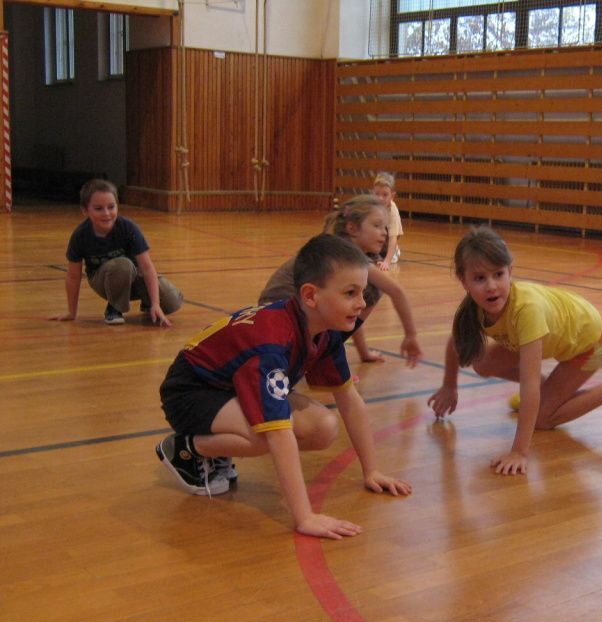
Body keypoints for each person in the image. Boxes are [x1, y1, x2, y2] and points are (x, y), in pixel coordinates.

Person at [155, 234, 412, 539]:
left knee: (324, 427)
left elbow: (349, 399)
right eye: (350, 293)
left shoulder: (324, 330)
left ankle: (217, 445)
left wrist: (372, 470)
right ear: (311, 296)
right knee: (270, 433)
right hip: (189, 393)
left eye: (363, 292)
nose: (362, 303)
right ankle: (186, 449)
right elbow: (278, 434)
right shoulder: (272, 343)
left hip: (227, 387)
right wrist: (305, 517)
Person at [427, 226, 602, 476]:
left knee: (543, 418)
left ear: (510, 271)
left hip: (594, 342)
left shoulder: (527, 311)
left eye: (498, 274)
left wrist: (519, 452)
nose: (491, 286)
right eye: (480, 278)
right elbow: (456, 343)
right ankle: (550, 393)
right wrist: (449, 386)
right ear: (464, 281)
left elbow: (529, 383)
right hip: (563, 335)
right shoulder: (475, 309)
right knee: (482, 363)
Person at [258, 195, 422, 367]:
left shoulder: (346, 252)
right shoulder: (344, 256)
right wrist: (411, 335)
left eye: (385, 227)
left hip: (279, 311)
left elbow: (352, 307)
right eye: (376, 225)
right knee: (370, 288)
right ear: (352, 228)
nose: (384, 232)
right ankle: (319, 356)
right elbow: (396, 291)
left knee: (362, 291)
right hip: (280, 314)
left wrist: (364, 353)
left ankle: (319, 353)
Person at [49, 179, 183, 327]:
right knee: (123, 265)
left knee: (172, 301)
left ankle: (147, 304)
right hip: (103, 280)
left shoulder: (128, 228)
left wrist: (155, 303)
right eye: (98, 208)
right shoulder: (80, 236)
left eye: (111, 207)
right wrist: (71, 312)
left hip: (133, 276)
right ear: (85, 210)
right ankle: (114, 308)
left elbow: (146, 267)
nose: (106, 213)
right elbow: (73, 276)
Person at [372, 172, 403, 271]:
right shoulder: (370, 206)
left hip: (389, 239)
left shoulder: (392, 211)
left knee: (388, 255)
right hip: (377, 240)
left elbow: (393, 237)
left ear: (392, 196)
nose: (380, 198)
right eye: (377, 194)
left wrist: (387, 261)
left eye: (385, 195)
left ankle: (393, 252)